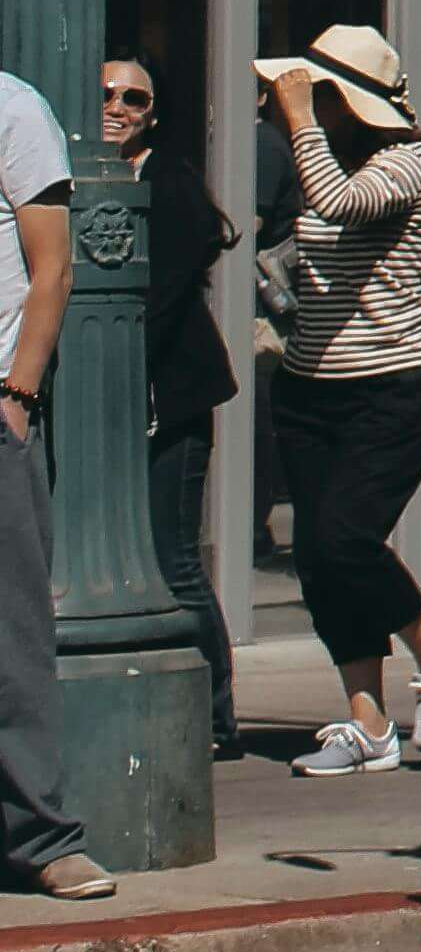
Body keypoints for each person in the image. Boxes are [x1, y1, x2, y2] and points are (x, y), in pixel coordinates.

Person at [255, 27, 421, 775]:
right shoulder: (319, 151)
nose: (301, 107)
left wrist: (298, 123)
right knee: (319, 561)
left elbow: (341, 203)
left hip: (390, 388)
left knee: (347, 539)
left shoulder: (405, 163)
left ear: (349, 104)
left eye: (319, 96)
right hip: (308, 386)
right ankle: (366, 721)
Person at [101, 63, 236, 753]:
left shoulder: (171, 184)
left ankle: (213, 716)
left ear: (153, 114)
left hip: (172, 398)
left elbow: (166, 293)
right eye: (105, 94)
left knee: (173, 554)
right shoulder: (85, 179)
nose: (117, 106)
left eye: (134, 98)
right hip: (114, 403)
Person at [0, 64, 108, 899]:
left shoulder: (12, 106)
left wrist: (17, 392)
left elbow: (54, 267)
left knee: (11, 636)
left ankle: (41, 836)